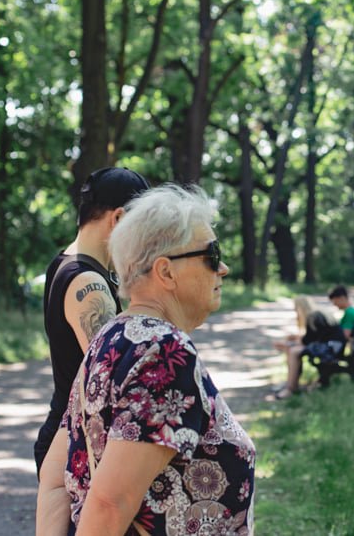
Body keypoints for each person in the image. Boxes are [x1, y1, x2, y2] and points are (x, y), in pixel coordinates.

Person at [36, 184, 254, 535]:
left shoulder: (109, 338)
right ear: (166, 272)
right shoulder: (166, 353)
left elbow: (55, 478)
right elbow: (109, 505)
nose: (223, 268)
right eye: (212, 255)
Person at [33, 166, 150, 473]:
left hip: (66, 435)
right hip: (73, 444)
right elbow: (112, 380)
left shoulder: (64, 261)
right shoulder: (90, 284)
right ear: (120, 218)